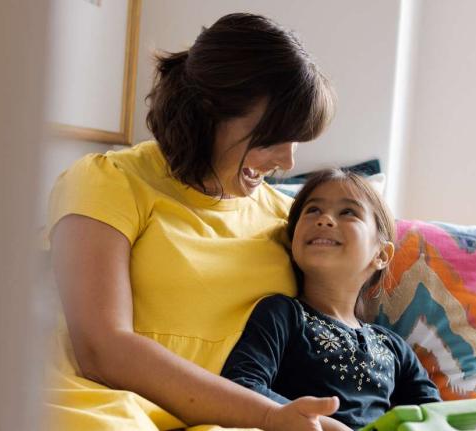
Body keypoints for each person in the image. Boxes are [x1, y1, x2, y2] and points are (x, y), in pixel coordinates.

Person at [45, 13, 337, 431]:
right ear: (209, 113)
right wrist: (269, 415)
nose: (288, 162)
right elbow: (101, 350)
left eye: (297, 141)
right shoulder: (109, 181)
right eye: (272, 139)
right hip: (107, 404)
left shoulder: (287, 218)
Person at [220, 169, 442, 430]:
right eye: (313, 210)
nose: (324, 219)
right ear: (293, 241)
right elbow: (240, 386)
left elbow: (435, 418)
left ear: (381, 254)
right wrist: (322, 424)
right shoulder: (282, 314)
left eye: (348, 212)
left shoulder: (393, 347)